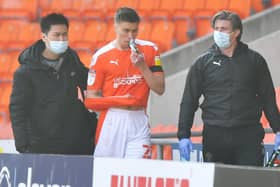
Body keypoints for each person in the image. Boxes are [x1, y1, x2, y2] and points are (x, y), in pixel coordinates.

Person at [177, 10, 280, 166]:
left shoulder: (255, 61)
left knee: (250, 181)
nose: (218, 32)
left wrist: (278, 129)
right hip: (215, 135)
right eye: (216, 28)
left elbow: (268, 98)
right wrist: (183, 135)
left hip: (248, 134)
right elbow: (189, 101)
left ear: (236, 32)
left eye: (223, 29)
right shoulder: (202, 63)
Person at [9, 13, 97, 155]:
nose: (61, 39)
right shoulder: (25, 72)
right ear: (44, 37)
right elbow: (18, 110)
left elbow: (90, 82)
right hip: (43, 145)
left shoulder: (72, 60)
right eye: (56, 35)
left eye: (64, 35)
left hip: (77, 144)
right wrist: (23, 146)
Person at [85, 7, 165, 158]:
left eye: (134, 31)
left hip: (138, 118)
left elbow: (160, 89)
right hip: (112, 120)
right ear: (115, 27)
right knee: (106, 176)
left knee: (137, 174)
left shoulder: (150, 49)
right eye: (126, 30)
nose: (130, 36)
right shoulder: (101, 56)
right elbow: (90, 100)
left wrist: (142, 67)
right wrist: (119, 100)